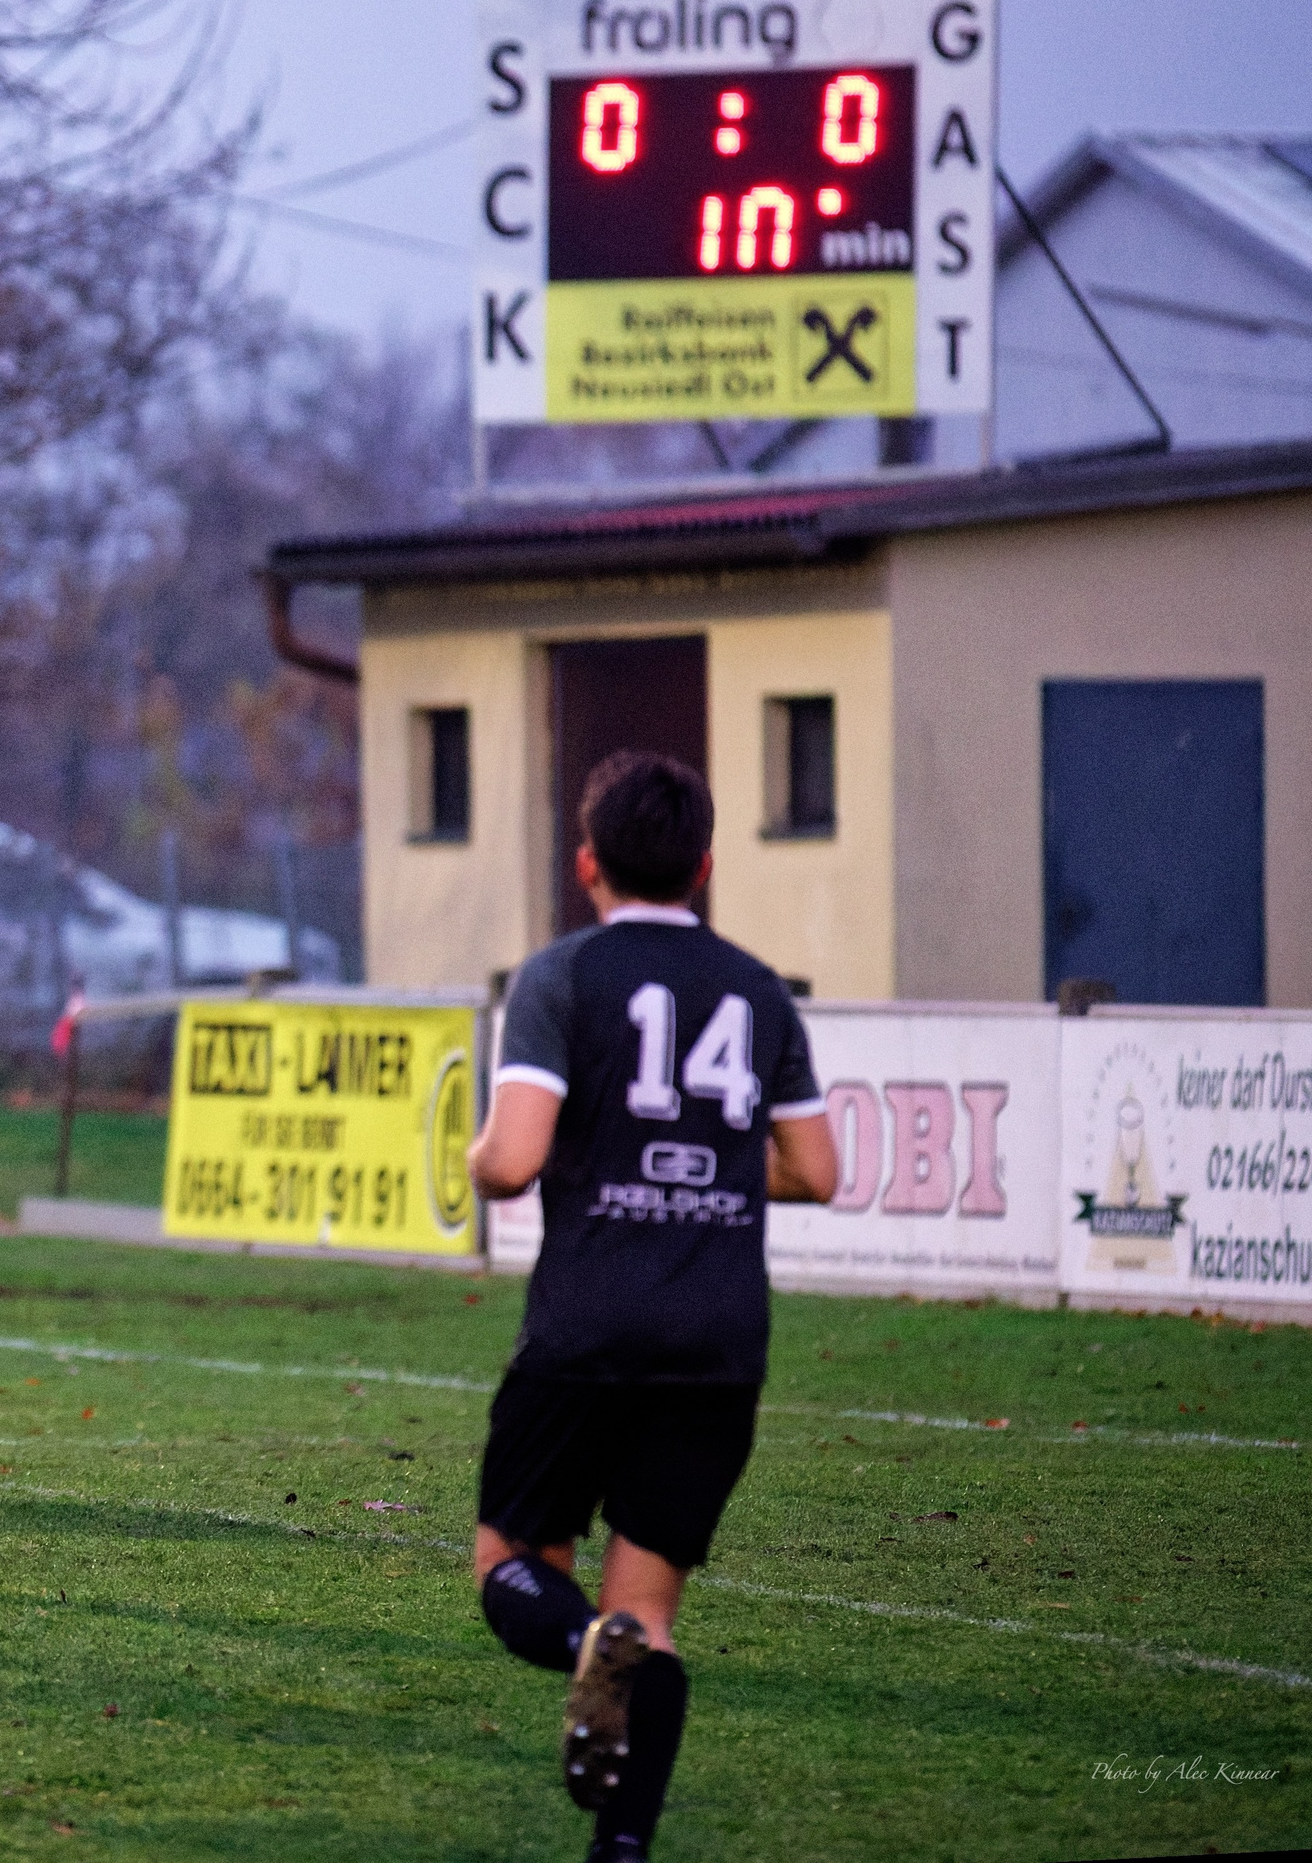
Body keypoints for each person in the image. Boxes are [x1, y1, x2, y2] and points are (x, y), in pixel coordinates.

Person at [467, 750, 839, 1863]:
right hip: (718, 1342)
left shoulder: (561, 976)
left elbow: (511, 1161)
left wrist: (488, 1151)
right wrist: (713, 1169)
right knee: (649, 1622)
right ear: (706, 866)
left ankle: (584, 1644)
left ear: (586, 861)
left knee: (512, 1565)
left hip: (586, 1330)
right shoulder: (759, 988)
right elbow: (816, 1170)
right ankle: (620, 1851)